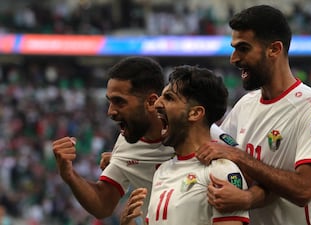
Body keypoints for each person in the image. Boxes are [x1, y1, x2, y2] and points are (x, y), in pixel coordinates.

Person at [196, 5, 311, 225]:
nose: (233, 58)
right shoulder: (245, 106)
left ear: (274, 49)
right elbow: (227, 161)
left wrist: (239, 157)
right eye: (234, 48)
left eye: (243, 48)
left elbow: (303, 189)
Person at [52, 57, 232, 224]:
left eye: (119, 102)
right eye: (110, 102)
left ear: (151, 102)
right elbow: (103, 204)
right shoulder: (128, 143)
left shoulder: (205, 136)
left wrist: (245, 190)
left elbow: (243, 179)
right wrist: (69, 175)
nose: (110, 112)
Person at [122, 65, 249, 225]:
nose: (157, 104)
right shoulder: (162, 171)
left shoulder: (221, 171)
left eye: (169, 98)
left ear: (195, 113)